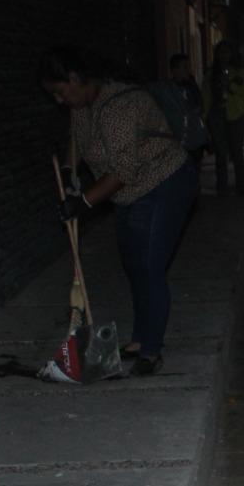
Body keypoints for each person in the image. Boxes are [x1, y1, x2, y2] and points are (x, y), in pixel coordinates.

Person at [39, 46, 198, 375]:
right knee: (134, 265)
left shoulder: (122, 108)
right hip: (129, 194)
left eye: (59, 91)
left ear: (74, 78)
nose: (59, 100)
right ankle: (140, 339)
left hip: (165, 184)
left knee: (151, 266)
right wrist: (71, 171)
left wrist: (81, 203)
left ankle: (151, 351)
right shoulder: (83, 104)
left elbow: (121, 172)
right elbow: (77, 139)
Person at [203, 42, 244, 196]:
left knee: (237, 151)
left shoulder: (238, 71)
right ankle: (222, 186)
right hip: (217, 115)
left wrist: (230, 86)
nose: (224, 56)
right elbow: (206, 95)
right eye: (220, 53)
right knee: (220, 153)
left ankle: (241, 185)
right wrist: (205, 116)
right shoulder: (211, 73)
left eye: (227, 52)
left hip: (236, 115)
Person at [169, 52, 207, 172]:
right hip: (180, 138)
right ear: (175, 69)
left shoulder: (191, 85)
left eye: (188, 67)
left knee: (195, 168)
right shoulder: (169, 89)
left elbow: (200, 105)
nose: (187, 70)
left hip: (194, 136)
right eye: (184, 67)